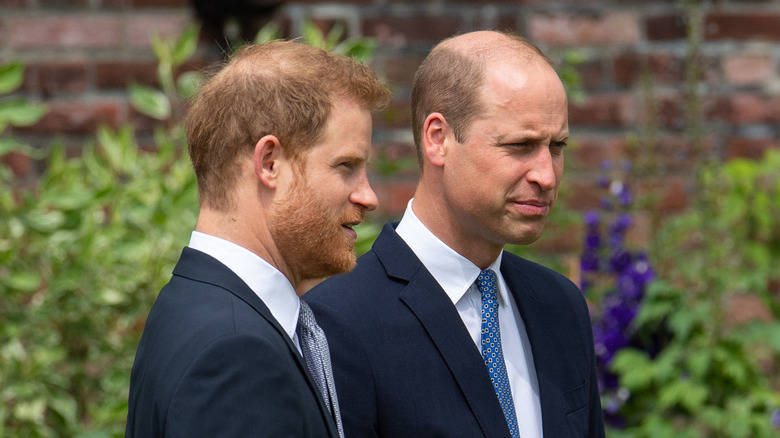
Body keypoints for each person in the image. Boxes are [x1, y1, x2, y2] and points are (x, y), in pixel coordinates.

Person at [305, 30, 606, 437]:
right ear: (438, 139)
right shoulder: (339, 322)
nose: (546, 175)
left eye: (557, 146)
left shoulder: (560, 305)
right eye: (519, 145)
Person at [125, 40, 391, 437]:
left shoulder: (192, 306)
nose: (367, 196)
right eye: (346, 166)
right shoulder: (235, 354)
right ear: (269, 163)